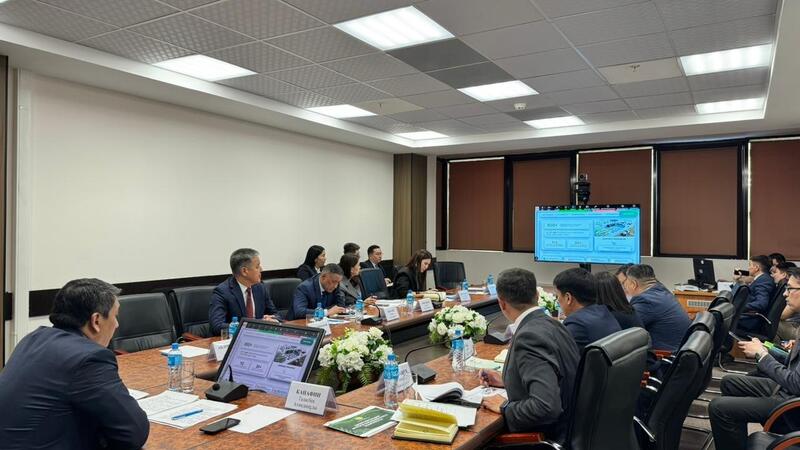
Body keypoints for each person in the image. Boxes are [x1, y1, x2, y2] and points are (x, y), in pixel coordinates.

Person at [0, 278, 149, 449]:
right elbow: (134, 432)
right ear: (96, 321)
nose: (117, 324)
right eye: (115, 316)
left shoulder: (34, 338)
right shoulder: (89, 358)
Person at [478, 268, 579, 443]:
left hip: (548, 438)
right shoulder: (556, 325)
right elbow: (556, 377)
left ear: (502, 304)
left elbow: (545, 406)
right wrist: (507, 380)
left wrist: (505, 407)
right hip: (574, 429)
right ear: (537, 296)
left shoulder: (529, 336)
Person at [709, 267, 800, 450]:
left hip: (792, 404)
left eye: (790, 288)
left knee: (718, 408)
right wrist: (765, 350)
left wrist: (762, 355)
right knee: (729, 382)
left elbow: (796, 383)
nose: (785, 294)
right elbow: (791, 363)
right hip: (786, 391)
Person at [209, 248, 280, 335]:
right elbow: (216, 326)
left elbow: (275, 314)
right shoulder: (222, 292)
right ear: (244, 271)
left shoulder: (260, 288)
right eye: (257, 266)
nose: (261, 269)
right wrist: (255, 326)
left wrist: (273, 320)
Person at [622, 264, 691, 351]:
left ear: (633, 284)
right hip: (680, 349)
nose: (624, 288)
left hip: (665, 355)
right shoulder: (660, 290)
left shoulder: (646, 301)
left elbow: (625, 328)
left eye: (624, 283)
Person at [554, 268, 622, 351]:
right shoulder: (604, 311)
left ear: (568, 298)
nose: (557, 300)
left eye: (557, 296)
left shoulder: (576, 324)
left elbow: (559, 355)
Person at [737, 255, 777, 334]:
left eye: (750, 265)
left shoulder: (764, 280)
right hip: (748, 316)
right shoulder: (761, 279)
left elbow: (761, 303)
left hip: (750, 320)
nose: (748, 268)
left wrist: (738, 307)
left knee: (719, 319)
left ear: (756, 268)